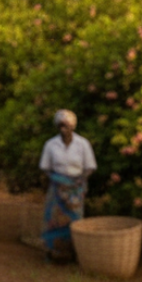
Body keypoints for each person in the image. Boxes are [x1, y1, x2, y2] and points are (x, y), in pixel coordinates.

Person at [37, 110, 96, 263]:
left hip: (76, 188)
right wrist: (58, 181)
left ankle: (73, 253)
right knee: (54, 218)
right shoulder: (51, 144)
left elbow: (89, 167)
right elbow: (45, 167)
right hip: (57, 187)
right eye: (61, 126)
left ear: (72, 127)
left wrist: (78, 181)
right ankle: (52, 250)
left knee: (75, 220)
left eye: (67, 126)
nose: (64, 129)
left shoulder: (83, 144)